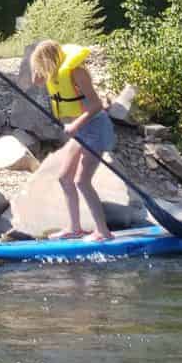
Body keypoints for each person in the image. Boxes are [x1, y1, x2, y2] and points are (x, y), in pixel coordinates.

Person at [28, 39, 116, 241]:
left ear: (50, 60)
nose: (39, 70)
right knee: (64, 178)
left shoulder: (77, 72)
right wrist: (37, 66)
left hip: (94, 127)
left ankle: (103, 232)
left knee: (82, 181)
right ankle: (74, 228)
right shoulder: (54, 74)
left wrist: (75, 125)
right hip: (82, 130)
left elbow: (96, 105)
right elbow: (36, 82)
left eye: (40, 63)